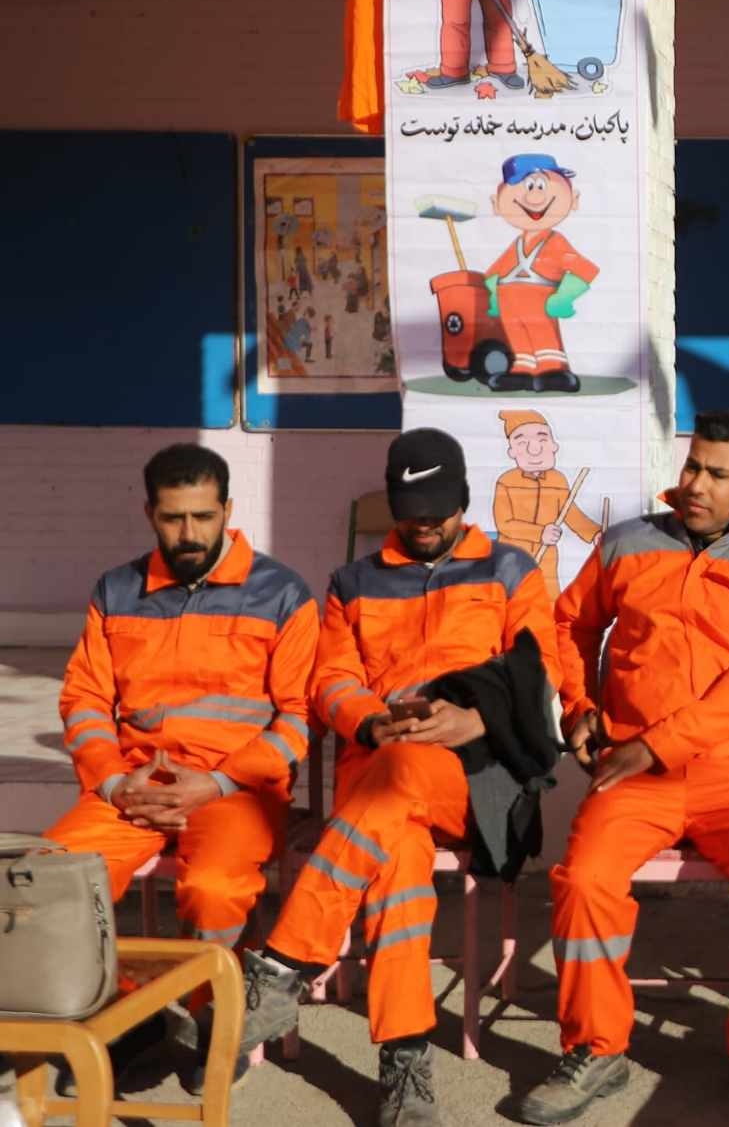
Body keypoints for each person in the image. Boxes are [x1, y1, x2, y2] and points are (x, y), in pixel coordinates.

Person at [226, 430, 584, 1125]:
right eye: (412, 509)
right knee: (397, 858)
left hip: (471, 778)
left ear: (464, 499)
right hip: (380, 780)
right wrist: (372, 722)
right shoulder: (352, 582)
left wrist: (474, 718)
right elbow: (331, 680)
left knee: (400, 782)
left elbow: (542, 673)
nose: (426, 522)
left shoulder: (511, 569)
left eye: (439, 509)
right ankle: (405, 1061)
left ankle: (282, 964)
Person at [523, 411, 729, 1127]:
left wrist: (657, 744)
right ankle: (597, 1047)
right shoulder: (627, 541)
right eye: (693, 466)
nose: (697, 485)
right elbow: (568, 623)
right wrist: (580, 705)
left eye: (718, 474)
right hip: (636, 771)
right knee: (584, 880)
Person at [47, 446, 316, 1074]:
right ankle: (122, 1015)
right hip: (135, 788)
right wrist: (114, 783)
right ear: (150, 513)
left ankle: (212, 1024)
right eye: (173, 518)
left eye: (203, 516)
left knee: (215, 890)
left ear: (228, 509)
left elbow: (300, 717)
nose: (189, 533)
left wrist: (218, 781)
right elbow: (85, 701)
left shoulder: (281, 592)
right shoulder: (117, 590)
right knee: (50, 881)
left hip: (236, 792)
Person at [483, 155, 597, 393]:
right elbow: (493, 273)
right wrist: (492, 297)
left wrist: (563, 297)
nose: (533, 196)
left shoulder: (556, 241)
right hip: (509, 304)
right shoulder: (516, 245)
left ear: (573, 199)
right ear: (497, 203)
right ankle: (522, 371)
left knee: (543, 336)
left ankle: (553, 371)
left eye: (541, 185)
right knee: (518, 341)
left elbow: (584, 269)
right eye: (526, 186)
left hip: (539, 300)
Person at [493, 409, 603, 594]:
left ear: (554, 445)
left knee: (548, 601)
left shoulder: (557, 480)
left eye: (542, 439)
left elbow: (571, 514)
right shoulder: (506, 482)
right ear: (511, 451)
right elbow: (504, 523)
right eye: (522, 442)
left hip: (547, 561)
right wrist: (540, 533)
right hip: (513, 558)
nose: (534, 449)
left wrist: (594, 533)